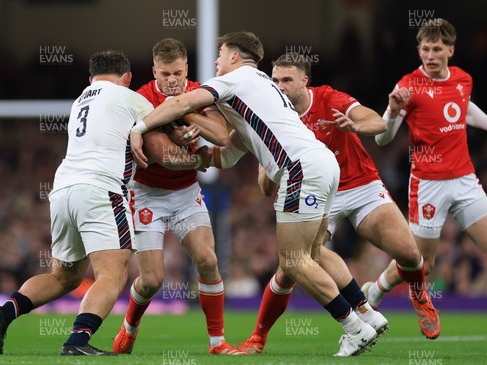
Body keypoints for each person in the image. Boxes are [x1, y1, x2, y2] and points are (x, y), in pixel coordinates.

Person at [130, 31, 378, 357]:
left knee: (294, 260)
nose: (216, 61)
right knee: (312, 253)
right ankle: (366, 312)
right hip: (322, 164)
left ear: (235, 56)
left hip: (300, 169)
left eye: (220, 54)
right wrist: (199, 159)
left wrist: (138, 127)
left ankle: (356, 328)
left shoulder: (237, 78)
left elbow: (181, 102)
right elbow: (229, 150)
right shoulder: (261, 86)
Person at [0, 50, 204, 356]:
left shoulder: (81, 101)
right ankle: (77, 341)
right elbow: (162, 139)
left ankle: (2, 314)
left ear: (91, 78)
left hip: (62, 191)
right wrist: (192, 151)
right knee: (113, 274)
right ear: (126, 78)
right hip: (101, 189)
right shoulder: (131, 98)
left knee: (64, 276)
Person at [238, 50, 441, 354]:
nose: (279, 86)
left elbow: (376, 121)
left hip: (360, 184)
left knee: (410, 254)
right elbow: (265, 187)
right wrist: (269, 166)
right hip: (318, 194)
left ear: (304, 81)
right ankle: (258, 337)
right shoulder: (272, 115)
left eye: (287, 80)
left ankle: (418, 293)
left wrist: (357, 127)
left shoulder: (329, 99)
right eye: (275, 79)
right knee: (290, 266)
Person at [111, 38, 244, 356]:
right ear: (154, 71)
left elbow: (222, 135)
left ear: (187, 70)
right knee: (152, 280)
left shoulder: (198, 92)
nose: (173, 81)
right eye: (166, 74)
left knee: (208, 261)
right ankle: (129, 327)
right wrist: (192, 152)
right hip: (147, 195)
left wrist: (188, 114)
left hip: (186, 193)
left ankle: (217, 342)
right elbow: (164, 156)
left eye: (179, 74)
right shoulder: (141, 98)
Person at [364, 18, 487, 334]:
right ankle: (378, 290)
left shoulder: (462, 79)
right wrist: (391, 112)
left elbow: (463, 108)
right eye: (425, 49)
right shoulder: (407, 87)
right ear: (419, 50)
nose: (430, 55)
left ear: (450, 50)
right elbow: (382, 138)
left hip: (464, 181)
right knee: (423, 264)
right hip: (428, 185)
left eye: (436, 49)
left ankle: (374, 292)